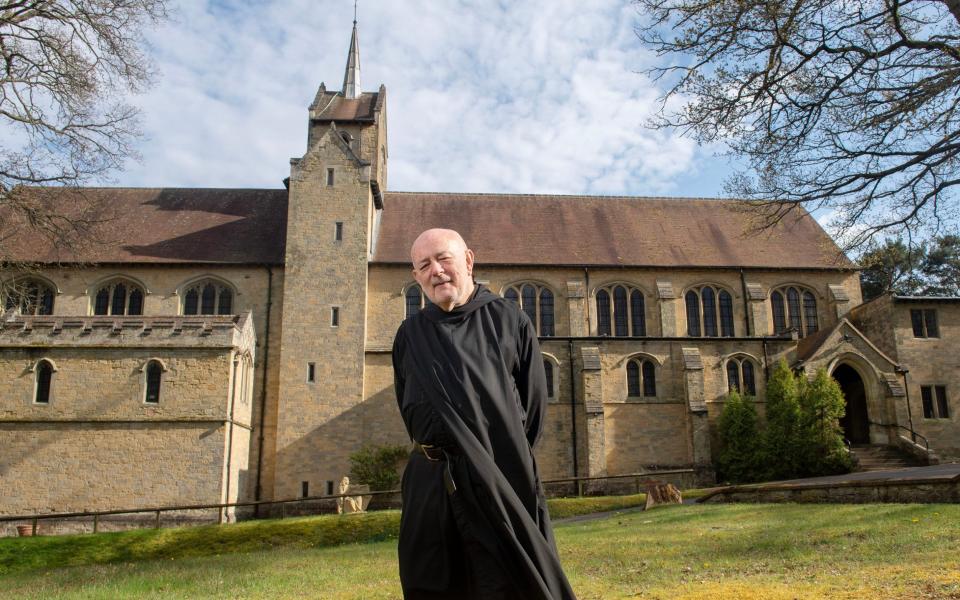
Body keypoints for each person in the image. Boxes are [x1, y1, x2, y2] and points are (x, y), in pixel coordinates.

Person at [392, 228, 576, 600]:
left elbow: (533, 406)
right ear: (416, 277)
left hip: (498, 474)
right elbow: (406, 401)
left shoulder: (509, 321)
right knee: (430, 580)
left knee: (505, 582)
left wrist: (497, 457)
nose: (436, 271)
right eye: (424, 265)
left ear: (468, 261)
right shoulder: (409, 334)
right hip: (429, 482)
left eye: (444, 258)